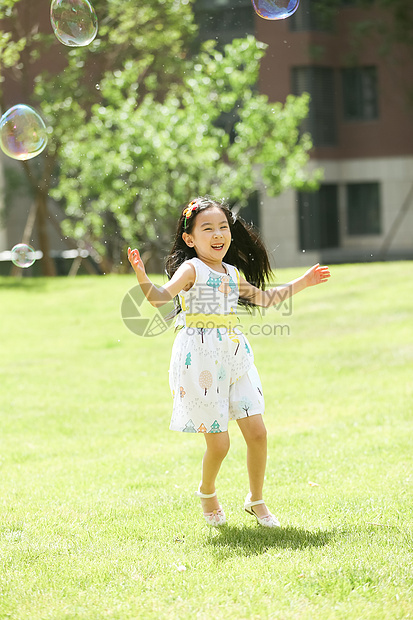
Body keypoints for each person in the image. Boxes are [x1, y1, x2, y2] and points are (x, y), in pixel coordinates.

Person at [128, 196, 331, 528]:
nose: (218, 233)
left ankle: (256, 499)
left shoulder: (232, 273)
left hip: (236, 356)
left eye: (223, 226)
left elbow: (264, 299)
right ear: (190, 238)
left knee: (258, 432)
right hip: (201, 361)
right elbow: (160, 299)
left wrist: (303, 282)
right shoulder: (192, 268)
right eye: (207, 228)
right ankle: (207, 492)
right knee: (219, 445)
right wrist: (140, 275)